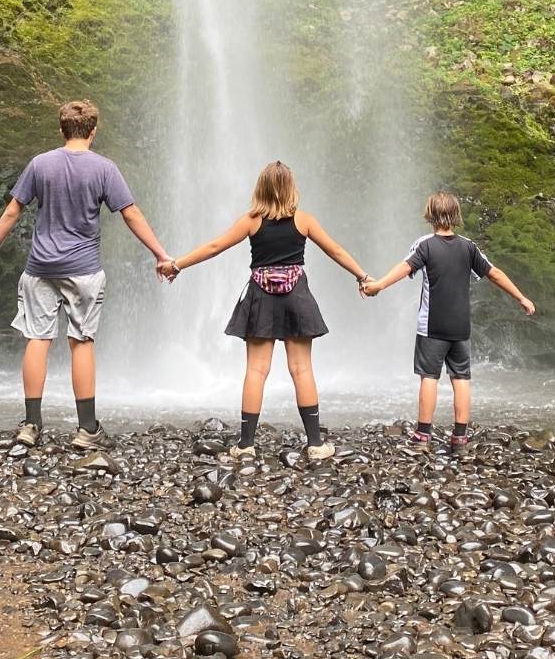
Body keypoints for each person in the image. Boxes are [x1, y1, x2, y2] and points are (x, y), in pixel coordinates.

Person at [0, 99, 169, 450]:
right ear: (93, 131)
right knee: (81, 343)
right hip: (84, 269)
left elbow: (11, 212)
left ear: (62, 129)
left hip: (40, 267)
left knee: (37, 340)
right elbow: (131, 215)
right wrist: (160, 254)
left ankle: (31, 425)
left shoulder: (40, 164)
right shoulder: (104, 169)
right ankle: (87, 429)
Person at [158, 161, 369, 461]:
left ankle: (246, 445)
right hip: (297, 296)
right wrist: (362, 276)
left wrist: (178, 264)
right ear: (291, 188)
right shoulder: (304, 221)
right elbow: (335, 250)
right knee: (302, 369)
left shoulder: (251, 221)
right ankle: (316, 444)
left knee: (256, 371)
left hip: (261, 296)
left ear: (261, 189)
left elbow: (215, 246)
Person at [361, 191, 535, 450]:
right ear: (456, 216)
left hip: (432, 326)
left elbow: (405, 267)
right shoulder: (468, 246)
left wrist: (378, 286)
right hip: (461, 326)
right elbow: (494, 274)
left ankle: (423, 435)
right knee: (461, 378)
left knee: (429, 377)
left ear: (430, 215)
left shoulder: (425, 245)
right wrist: (521, 297)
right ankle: (460, 437)